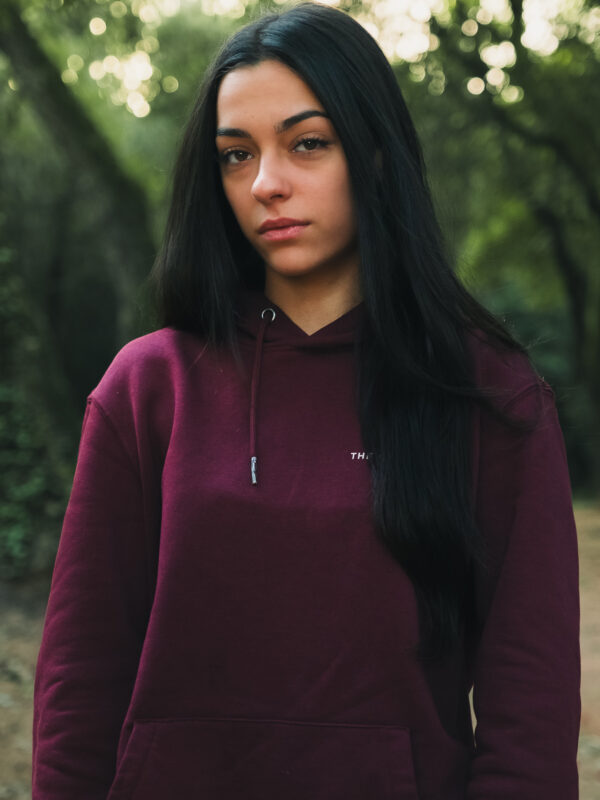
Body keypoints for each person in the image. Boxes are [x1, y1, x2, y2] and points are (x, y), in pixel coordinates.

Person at [32, 2, 581, 798]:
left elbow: (530, 712)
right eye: (235, 155)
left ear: (378, 155)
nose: (266, 183)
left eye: (308, 143)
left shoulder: (489, 396)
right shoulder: (148, 389)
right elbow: (80, 681)